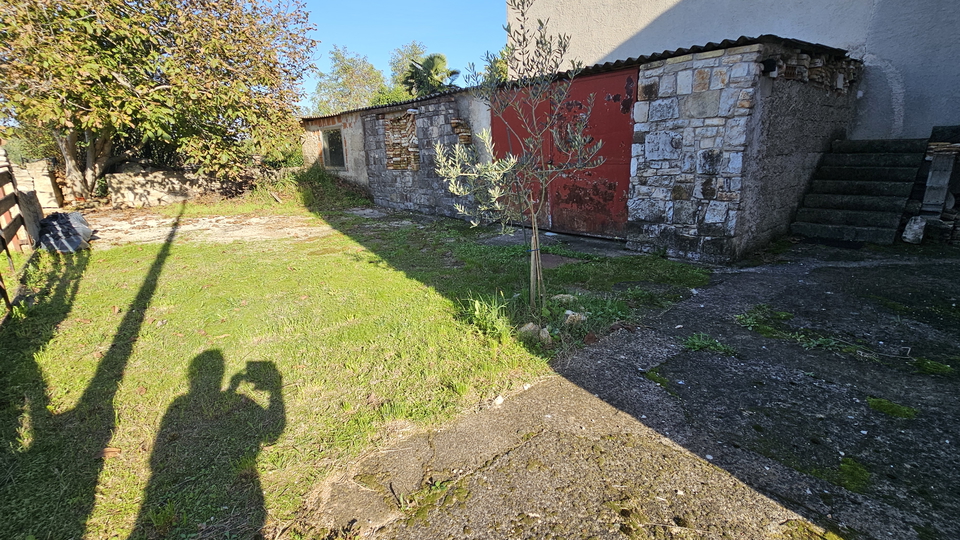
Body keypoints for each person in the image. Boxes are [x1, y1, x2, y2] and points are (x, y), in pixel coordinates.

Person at [129, 350, 285, 538]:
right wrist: (276, 392)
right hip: (233, 495)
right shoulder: (181, 405)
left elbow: (156, 459)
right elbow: (272, 435)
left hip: (167, 498)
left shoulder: (178, 405)